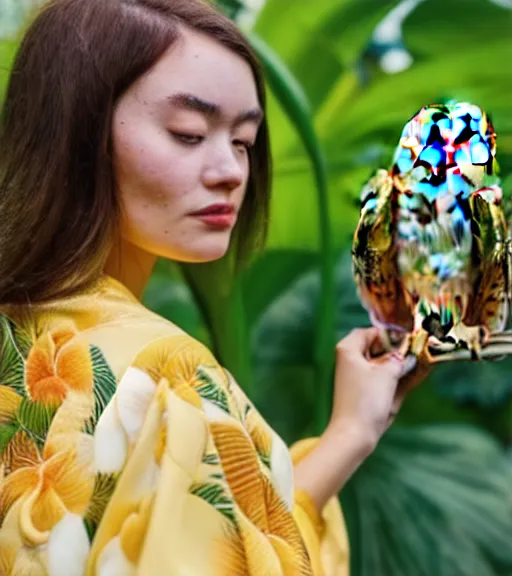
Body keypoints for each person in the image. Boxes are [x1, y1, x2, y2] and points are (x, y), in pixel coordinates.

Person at [0, 0, 426, 574]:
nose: (231, 170)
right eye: (189, 133)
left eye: (245, 141)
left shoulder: (23, 329)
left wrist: (352, 431)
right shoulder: (166, 372)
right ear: (76, 132)